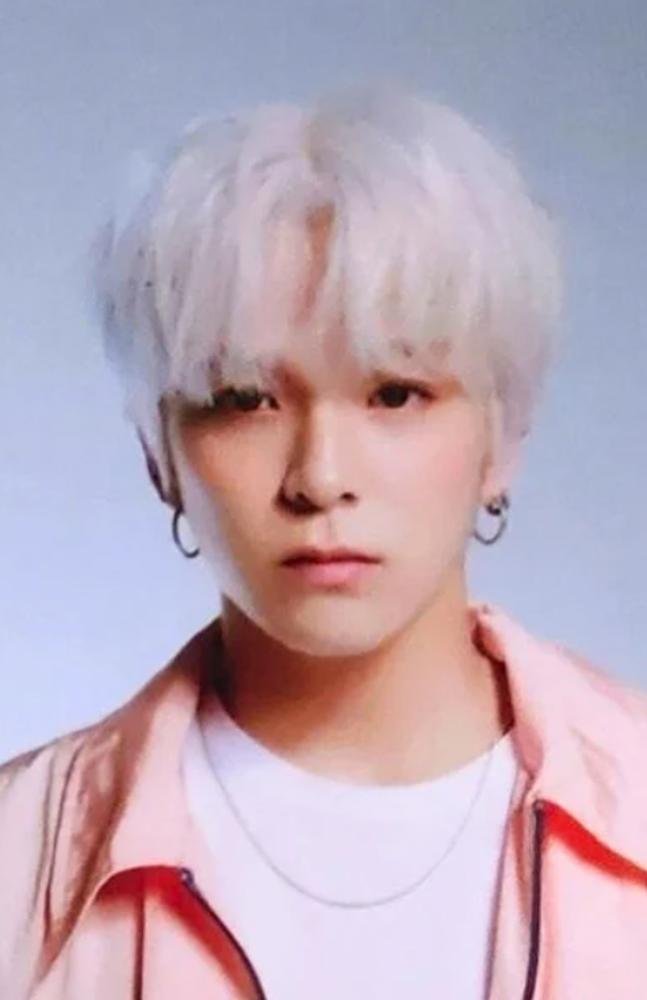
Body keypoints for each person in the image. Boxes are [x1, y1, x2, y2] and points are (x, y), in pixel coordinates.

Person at [1, 84, 646, 1000]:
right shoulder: (19, 858)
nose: (319, 475)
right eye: (244, 400)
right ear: (159, 453)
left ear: (501, 437)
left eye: (394, 394)